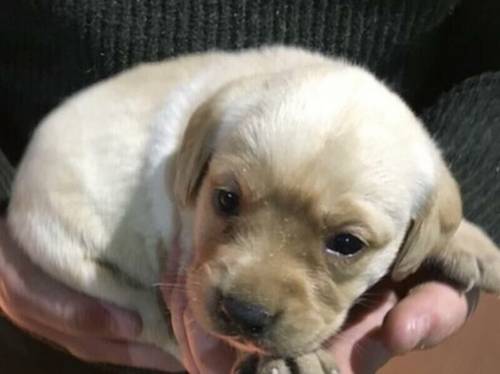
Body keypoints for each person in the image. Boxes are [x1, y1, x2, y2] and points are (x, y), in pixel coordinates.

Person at [0, 0, 498, 373]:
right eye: (229, 201)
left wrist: (459, 198)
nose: (249, 300)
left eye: (344, 243)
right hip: (36, 301)